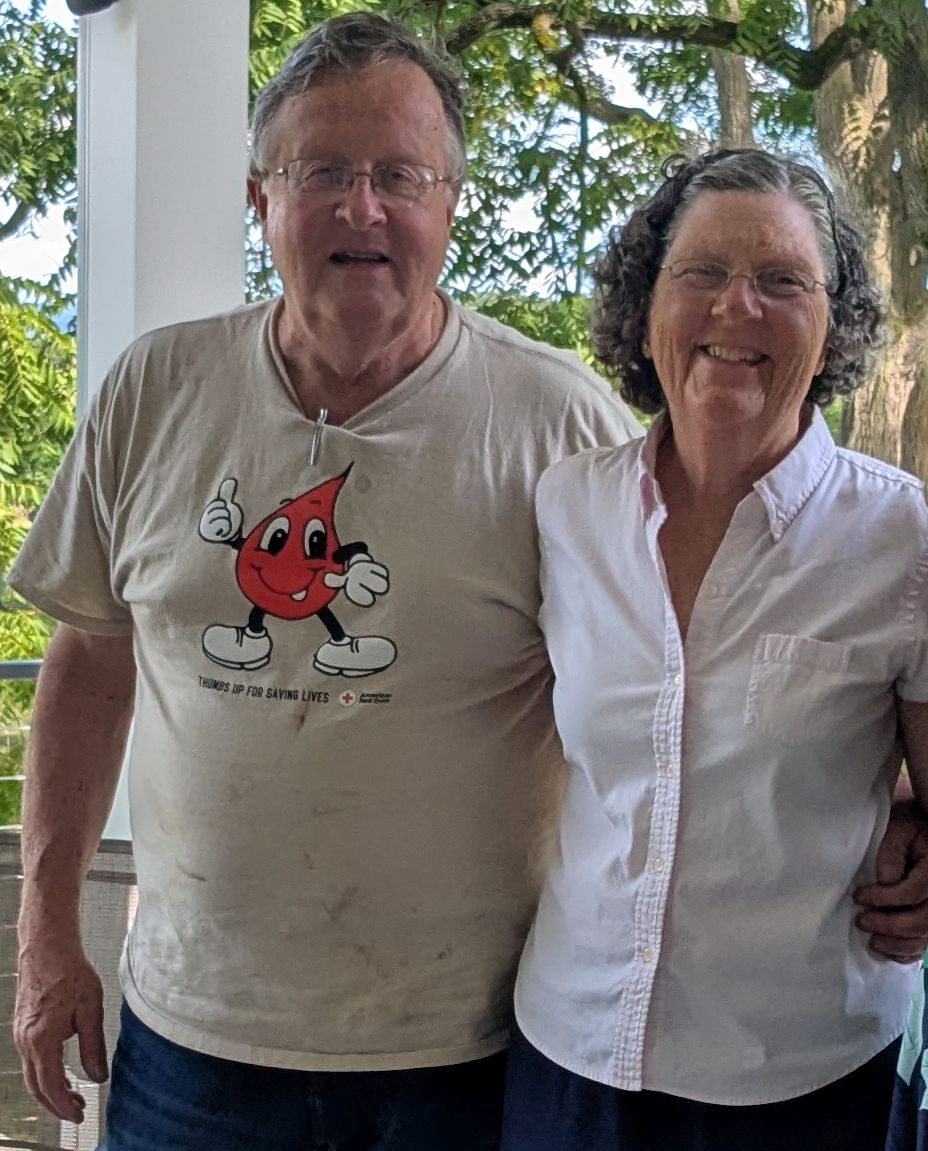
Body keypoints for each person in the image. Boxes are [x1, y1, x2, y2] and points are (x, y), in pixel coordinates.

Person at [5, 24, 925, 1148]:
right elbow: (89, 659)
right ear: (259, 199)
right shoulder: (152, 391)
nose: (363, 208)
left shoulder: (559, 426)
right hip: (194, 1046)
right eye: (322, 171)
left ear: (450, 204)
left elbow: (722, 678)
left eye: (402, 175)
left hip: (469, 1055)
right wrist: (46, 934)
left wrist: (898, 808)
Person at [500, 149, 928, 1151]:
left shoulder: (902, 539)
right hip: (569, 1052)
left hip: (803, 1077)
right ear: (646, 305)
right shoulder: (565, 509)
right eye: (701, 271)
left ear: (833, 325)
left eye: (783, 279)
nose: (738, 305)